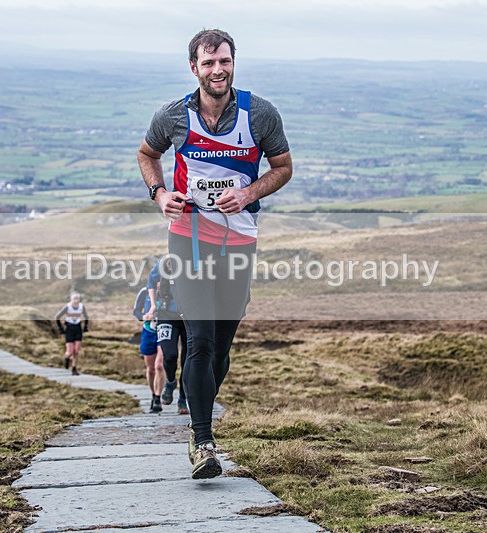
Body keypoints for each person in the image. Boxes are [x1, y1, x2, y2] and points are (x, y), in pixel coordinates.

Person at [137, 29, 292, 479]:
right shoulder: (174, 116)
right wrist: (159, 192)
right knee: (200, 339)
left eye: (224, 61)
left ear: (233, 63)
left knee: (220, 348)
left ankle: (199, 409)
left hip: (239, 241)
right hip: (187, 237)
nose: (217, 70)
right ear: (194, 68)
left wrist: (247, 193)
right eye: (208, 64)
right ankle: (202, 441)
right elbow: (148, 154)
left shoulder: (260, 114)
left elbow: (282, 168)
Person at [146, 257, 189, 415]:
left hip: (188, 317)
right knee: (169, 355)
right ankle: (171, 382)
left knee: (188, 360)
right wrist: (152, 306)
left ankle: (183, 399)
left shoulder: (192, 263)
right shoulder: (162, 264)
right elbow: (151, 283)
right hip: (166, 314)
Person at [139, 279, 166, 413]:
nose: (160, 283)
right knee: (150, 369)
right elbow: (136, 311)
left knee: (159, 366)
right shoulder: (144, 292)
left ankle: (157, 397)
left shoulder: (169, 292)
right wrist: (144, 316)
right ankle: (153, 395)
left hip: (165, 331)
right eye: (157, 280)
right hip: (148, 332)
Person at [54, 291, 89, 375]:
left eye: (78, 298)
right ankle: (66, 358)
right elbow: (57, 317)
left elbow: (86, 316)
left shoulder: (81, 306)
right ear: (71, 299)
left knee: (76, 351)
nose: (76, 300)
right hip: (69, 329)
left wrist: (85, 326)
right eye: (75, 298)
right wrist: (61, 329)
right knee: (70, 351)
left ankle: (74, 368)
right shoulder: (67, 307)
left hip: (78, 328)